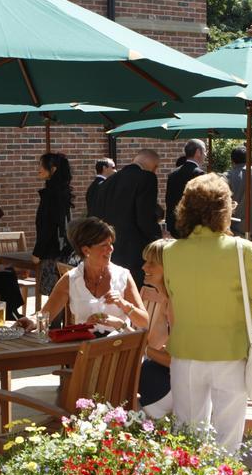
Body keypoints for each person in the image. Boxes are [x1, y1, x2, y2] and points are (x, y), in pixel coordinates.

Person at [162, 175, 252, 454]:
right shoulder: (240, 249)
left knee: (187, 441)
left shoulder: (171, 252)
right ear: (224, 209)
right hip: (228, 354)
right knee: (227, 443)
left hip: (185, 353)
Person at [28, 217, 149, 334]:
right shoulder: (71, 279)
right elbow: (45, 315)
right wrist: (31, 321)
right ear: (86, 250)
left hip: (118, 348)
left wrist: (124, 304)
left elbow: (144, 322)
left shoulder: (123, 276)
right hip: (86, 349)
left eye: (111, 243)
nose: (110, 249)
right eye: (104, 245)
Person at [92, 149, 161, 287]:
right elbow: (145, 218)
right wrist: (157, 239)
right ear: (154, 166)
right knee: (137, 295)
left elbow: (98, 215)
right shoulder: (147, 178)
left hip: (111, 249)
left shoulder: (108, 181)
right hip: (136, 252)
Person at [137, 239, 172, 418]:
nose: (144, 267)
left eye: (152, 263)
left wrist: (140, 349)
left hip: (171, 390)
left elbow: (176, 361)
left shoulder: (176, 304)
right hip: (160, 385)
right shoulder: (166, 298)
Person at [32, 153, 74, 295]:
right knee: (59, 295)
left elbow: (48, 226)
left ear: (53, 169)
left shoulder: (51, 195)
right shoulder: (61, 192)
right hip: (62, 251)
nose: (39, 168)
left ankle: (54, 319)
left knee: (54, 295)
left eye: (42, 165)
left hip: (53, 253)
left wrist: (37, 252)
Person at [165, 139, 206, 238]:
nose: (206, 154)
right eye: (204, 151)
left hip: (175, 225)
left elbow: (168, 200)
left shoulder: (172, 175)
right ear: (198, 152)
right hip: (193, 227)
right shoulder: (199, 174)